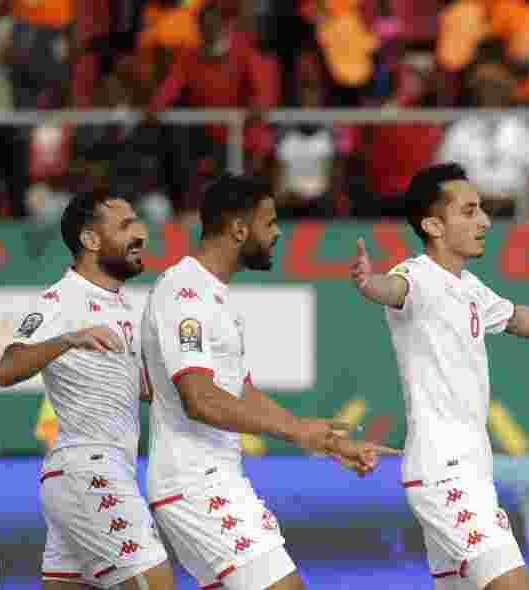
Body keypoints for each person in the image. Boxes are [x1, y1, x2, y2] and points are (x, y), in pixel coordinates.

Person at [350, 163, 529, 590]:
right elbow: (392, 289)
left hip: (471, 468)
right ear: (434, 225)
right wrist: (369, 284)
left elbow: (517, 318)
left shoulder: (471, 287)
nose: (485, 221)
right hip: (444, 470)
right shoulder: (416, 276)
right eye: (470, 211)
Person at [140, 174, 394, 590]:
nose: (278, 233)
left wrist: (325, 439)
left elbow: (244, 395)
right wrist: (298, 430)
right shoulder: (184, 295)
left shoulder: (215, 298)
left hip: (214, 480)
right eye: (270, 222)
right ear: (240, 229)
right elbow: (199, 399)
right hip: (194, 487)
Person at [0, 193, 176, 590]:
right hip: (90, 470)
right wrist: (69, 340)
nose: (141, 233)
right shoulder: (62, 299)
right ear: (91, 240)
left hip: (97, 474)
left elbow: (143, 389)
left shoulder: (123, 307)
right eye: (126, 225)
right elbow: (6, 370)